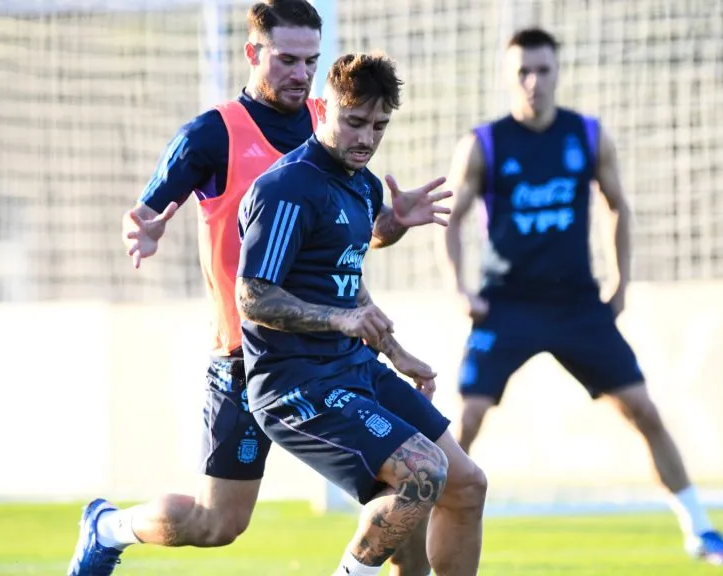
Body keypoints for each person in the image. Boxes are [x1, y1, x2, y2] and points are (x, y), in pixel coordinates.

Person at [67, 2, 448, 574]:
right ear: (254, 53)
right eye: (287, 59)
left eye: (311, 61)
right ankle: (108, 527)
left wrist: (392, 223)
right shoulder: (212, 134)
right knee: (217, 524)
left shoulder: (337, 123)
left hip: (326, 357)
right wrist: (142, 229)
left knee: (414, 482)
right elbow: (147, 212)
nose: (301, 74)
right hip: (245, 356)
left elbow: (349, 250)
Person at [439, 28, 723, 566]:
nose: (533, 82)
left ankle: (700, 530)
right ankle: (417, 529)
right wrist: (459, 288)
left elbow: (618, 206)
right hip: (506, 304)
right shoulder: (485, 143)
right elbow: (453, 219)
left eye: (543, 70)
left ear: (558, 72)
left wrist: (620, 283)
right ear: (508, 77)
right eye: (523, 72)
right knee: (464, 420)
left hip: (577, 304)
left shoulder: (586, 135)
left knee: (644, 411)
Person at [236, 52, 487, 576]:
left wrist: (395, 351)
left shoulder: (363, 184)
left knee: (465, 484)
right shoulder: (288, 188)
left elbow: (345, 274)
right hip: (297, 385)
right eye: (354, 122)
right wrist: (339, 322)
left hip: (353, 369)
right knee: (422, 473)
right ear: (325, 108)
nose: (366, 138)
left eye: (379, 126)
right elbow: (253, 295)